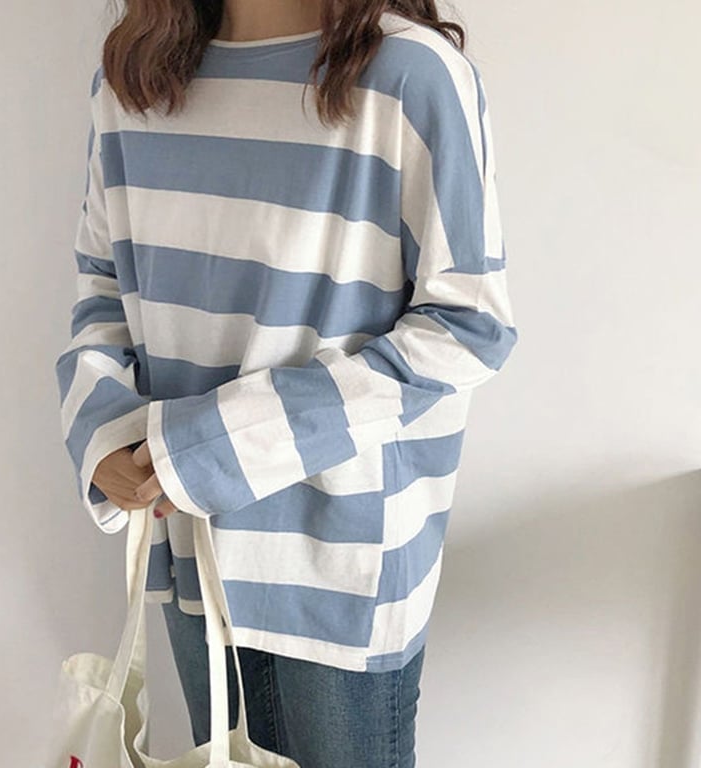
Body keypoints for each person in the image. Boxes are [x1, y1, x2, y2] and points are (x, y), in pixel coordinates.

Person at [54, 1, 518, 766]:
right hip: (190, 545)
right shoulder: (132, 80)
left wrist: (213, 448)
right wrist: (101, 433)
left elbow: (468, 325)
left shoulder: (410, 76)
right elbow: (103, 287)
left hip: (341, 565)